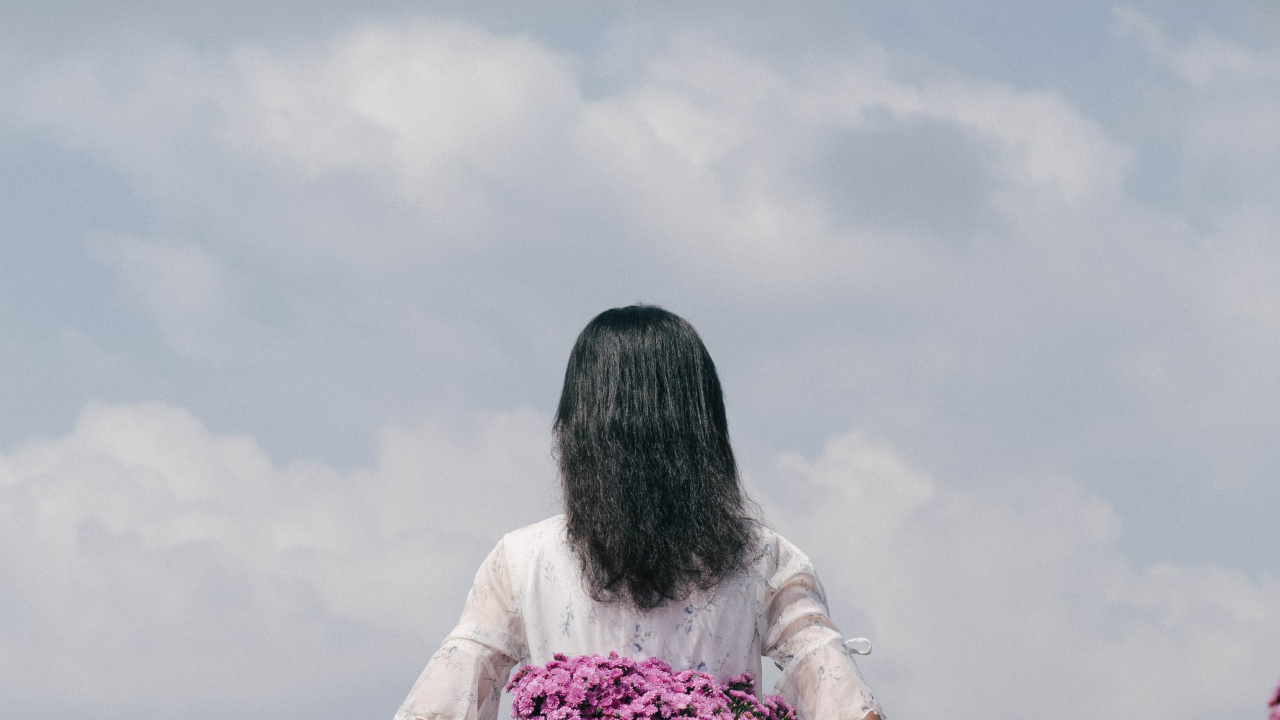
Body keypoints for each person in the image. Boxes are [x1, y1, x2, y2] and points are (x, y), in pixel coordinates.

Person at [392, 305, 884, 720]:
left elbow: (443, 700)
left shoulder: (523, 559)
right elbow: (840, 694)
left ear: (579, 427)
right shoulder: (763, 558)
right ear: (703, 426)